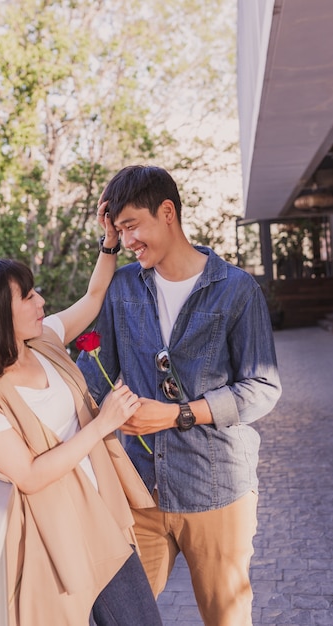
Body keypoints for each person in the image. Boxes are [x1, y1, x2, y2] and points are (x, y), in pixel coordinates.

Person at [77, 165, 282, 626]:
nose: (127, 240)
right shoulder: (123, 288)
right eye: (119, 229)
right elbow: (92, 373)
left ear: (167, 212)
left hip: (216, 490)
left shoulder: (237, 290)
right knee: (118, 618)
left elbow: (263, 389)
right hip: (140, 494)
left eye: (132, 226)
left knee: (226, 618)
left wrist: (175, 415)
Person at [0, 208, 163, 626]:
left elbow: (93, 298)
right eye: (27, 296)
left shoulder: (43, 341)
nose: (40, 301)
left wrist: (109, 242)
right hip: (64, 536)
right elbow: (28, 475)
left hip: (104, 513)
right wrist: (103, 423)